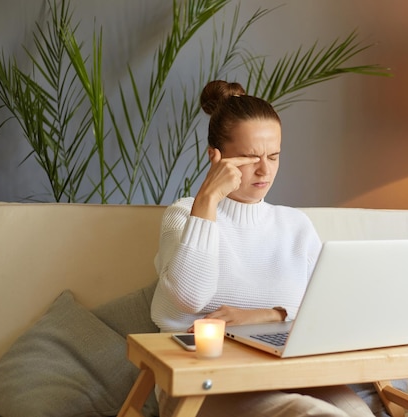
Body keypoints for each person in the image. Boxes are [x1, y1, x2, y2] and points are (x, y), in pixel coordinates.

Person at [150, 80, 374, 417]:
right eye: (251, 156)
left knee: (358, 413)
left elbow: (329, 309)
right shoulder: (184, 215)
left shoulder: (295, 226)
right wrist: (208, 198)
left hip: (285, 369)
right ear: (216, 156)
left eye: (273, 155)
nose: (264, 169)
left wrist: (266, 315)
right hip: (198, 382)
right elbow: (190, 298)